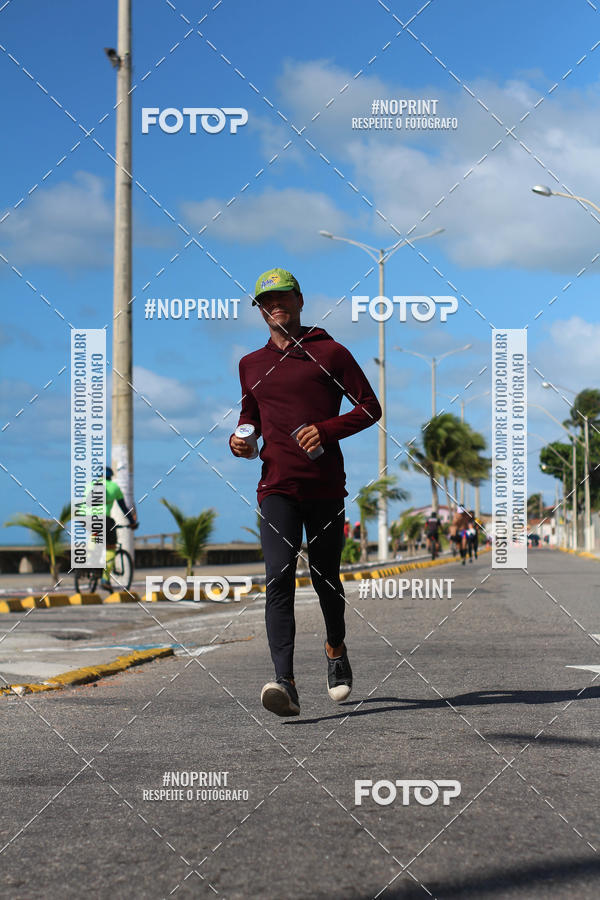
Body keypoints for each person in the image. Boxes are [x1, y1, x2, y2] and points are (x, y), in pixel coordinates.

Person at [229, 268, 381, 717]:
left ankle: (335, 649)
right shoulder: (250, 364)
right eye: (266, 300)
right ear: (259, 310)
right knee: (278, 576)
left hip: (324, 486)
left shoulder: (331, 352)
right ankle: (285, 683)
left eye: (283, 297)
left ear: (299, 300)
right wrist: (242, 440)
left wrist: (326, 430)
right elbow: (251, 415)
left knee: (325, 577)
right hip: (276, 486)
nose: (275, 305)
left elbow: (370, 407)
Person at [82, 466, 138, 589]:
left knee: (95, 536)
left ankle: (89, 561)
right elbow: (124, 508)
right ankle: (105, 579)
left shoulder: (89, 486)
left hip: (87, 519)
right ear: (110, 477)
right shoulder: (114, 487)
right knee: (111, 547)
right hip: (104, 520)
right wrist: (132, 522)